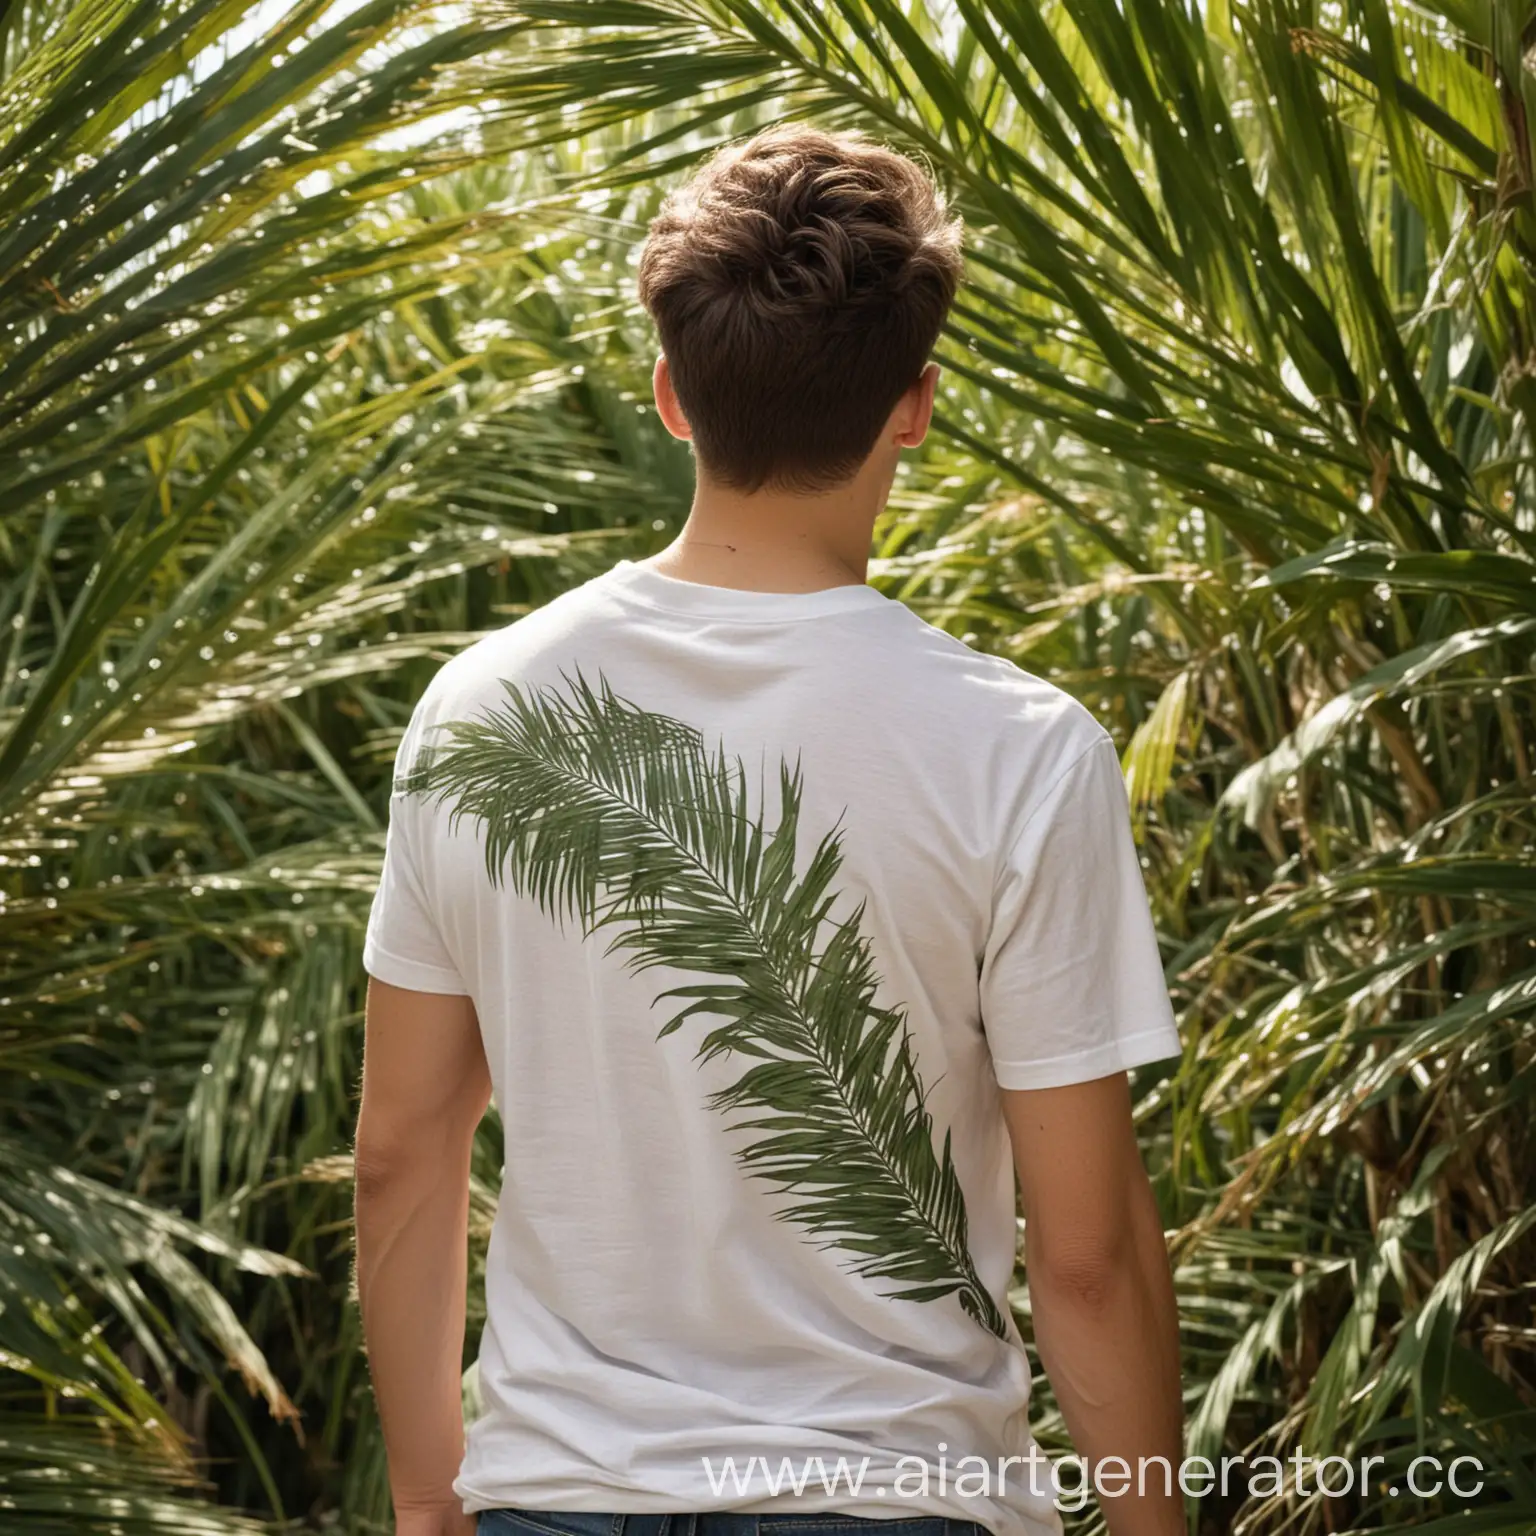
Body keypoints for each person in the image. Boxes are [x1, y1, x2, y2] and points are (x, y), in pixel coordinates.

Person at [355, 126, 1185, 1536]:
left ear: (672, 395)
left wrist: (433, 1499)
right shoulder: (1022, 752)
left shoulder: (480, 710)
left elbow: (404, 1150)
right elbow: (1089, 1257)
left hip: (558, 1496)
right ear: (915, 405)